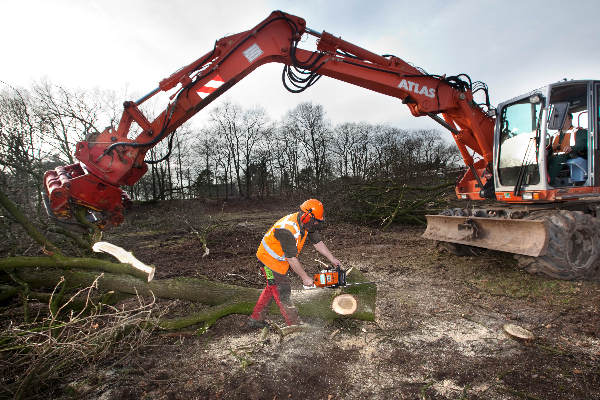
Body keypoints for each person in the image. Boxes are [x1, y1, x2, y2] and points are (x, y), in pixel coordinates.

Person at [248, 199, 341, 328]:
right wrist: (305, 278)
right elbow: (292, 258)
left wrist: (332, 259)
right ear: (306, 216)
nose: (315, 224)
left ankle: (256, 319)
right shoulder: (287, 229)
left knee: (271, 287)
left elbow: (318, 243)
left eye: (317, 222)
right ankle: (295, 325)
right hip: (267, 261)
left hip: (280, 260)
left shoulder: (307, 224)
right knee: (283, 291)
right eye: (314, 221)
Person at [547, 112, 587, 185]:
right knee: (542, 161)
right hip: (555, 157)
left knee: (558, 159)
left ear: (570, 119)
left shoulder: (579, 132)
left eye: (563, 119)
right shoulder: (555, 135)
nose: (560, 121)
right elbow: (550, 149)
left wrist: (572, 148)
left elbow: (583, 144)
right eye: (559, 119)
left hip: (572, 155)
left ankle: (548, 183)